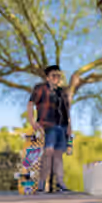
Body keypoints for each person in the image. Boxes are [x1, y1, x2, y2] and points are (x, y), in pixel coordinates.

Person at [27, 65, 71, 193]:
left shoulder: (62, 92)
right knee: (48, 153)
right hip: (47, 124)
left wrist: (69, 126)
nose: (56, 78)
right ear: (47, 77)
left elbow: (67, 111)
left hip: (61, 125)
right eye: (53, 75)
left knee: (58, 155)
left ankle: (60, 183)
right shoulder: (40, 88)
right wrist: (32, 121)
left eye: (58, 75)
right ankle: (41, 183)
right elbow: (30, 104)